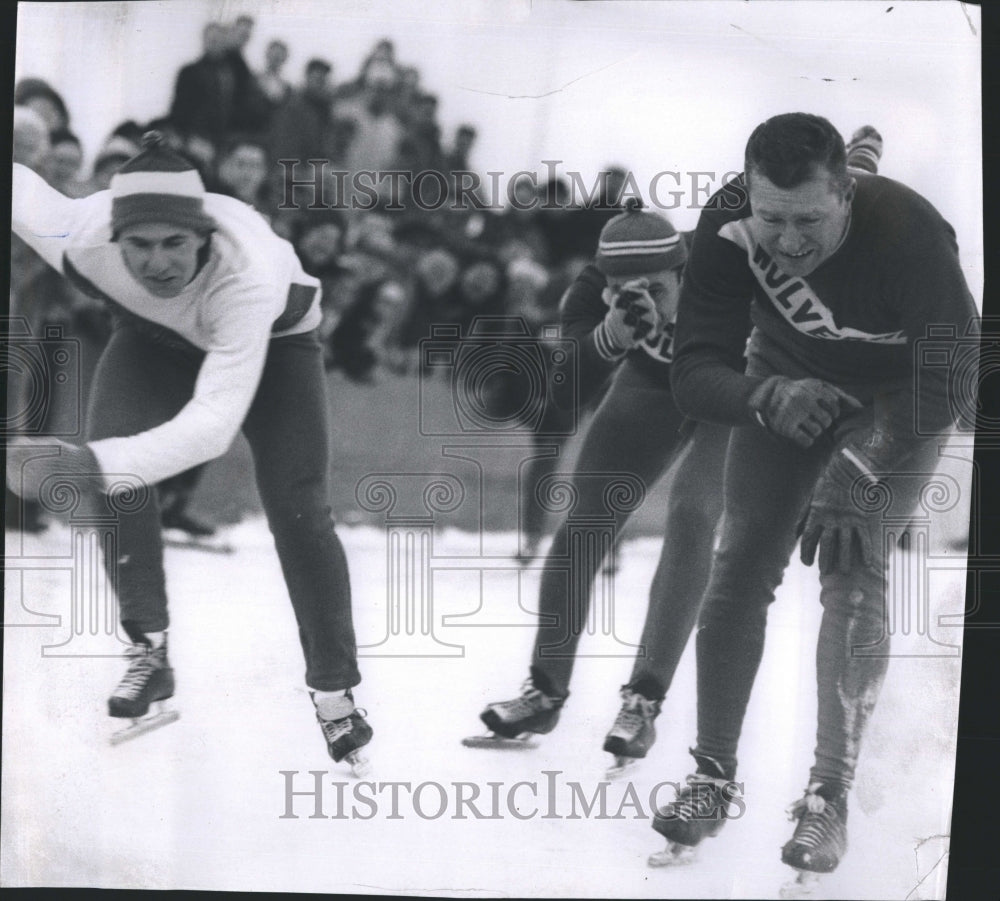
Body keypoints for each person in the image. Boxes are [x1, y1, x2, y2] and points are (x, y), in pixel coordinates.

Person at [649, 114, 978, 887]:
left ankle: (828, 793)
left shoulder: (908, 232)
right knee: (741, 561)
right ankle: (712, 774)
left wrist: (859, 467)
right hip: (788, 372)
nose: (789, 241)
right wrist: (763, 394)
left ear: (848, 197)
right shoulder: (728, 224)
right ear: (747, 196)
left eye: (810, 221)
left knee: (852, 558)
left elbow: (957, 381)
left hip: (900, 399)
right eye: (773, 219)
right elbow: (693, 370)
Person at [6, 133, 373, 771]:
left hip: (275, 342)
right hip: (152, 339)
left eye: (176, 242)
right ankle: (148, 651)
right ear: (114, 239)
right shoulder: (76, 234)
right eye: (139, 245)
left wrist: (85, 465)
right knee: (122, 468)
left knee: (297, 508)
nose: (158, 264)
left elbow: (212, 425)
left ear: (202, 235)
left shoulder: (246, 273)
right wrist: (102, 464)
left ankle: (334, 691)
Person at [470, 199, 732, 773]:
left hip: (731, 389)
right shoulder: (590, 291)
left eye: (656, 291)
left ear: (684, 271)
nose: (642, 302)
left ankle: (644, 698)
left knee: (692, 518)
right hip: (654, 381)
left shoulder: (726, 261)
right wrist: (607, 338)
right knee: (584, 521)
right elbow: (559, 396)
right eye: (623, 291)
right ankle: (544, 690)